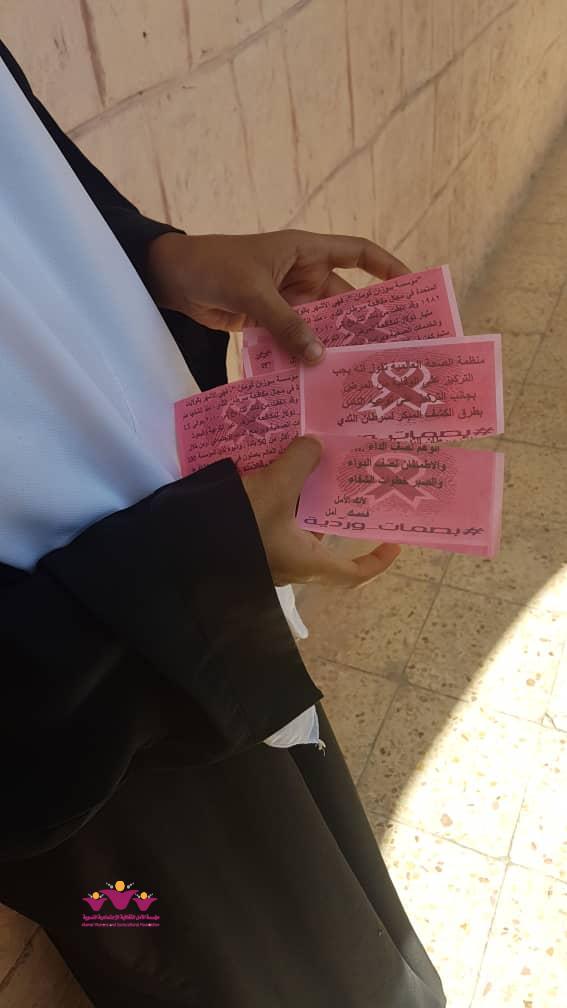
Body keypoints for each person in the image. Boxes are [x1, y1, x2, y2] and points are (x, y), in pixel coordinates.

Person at [0, 39, 446, 1008]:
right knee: (203, 959)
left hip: (195, 582)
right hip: (76, 723)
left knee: (338, 917)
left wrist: (156, 257)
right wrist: (186, 571)